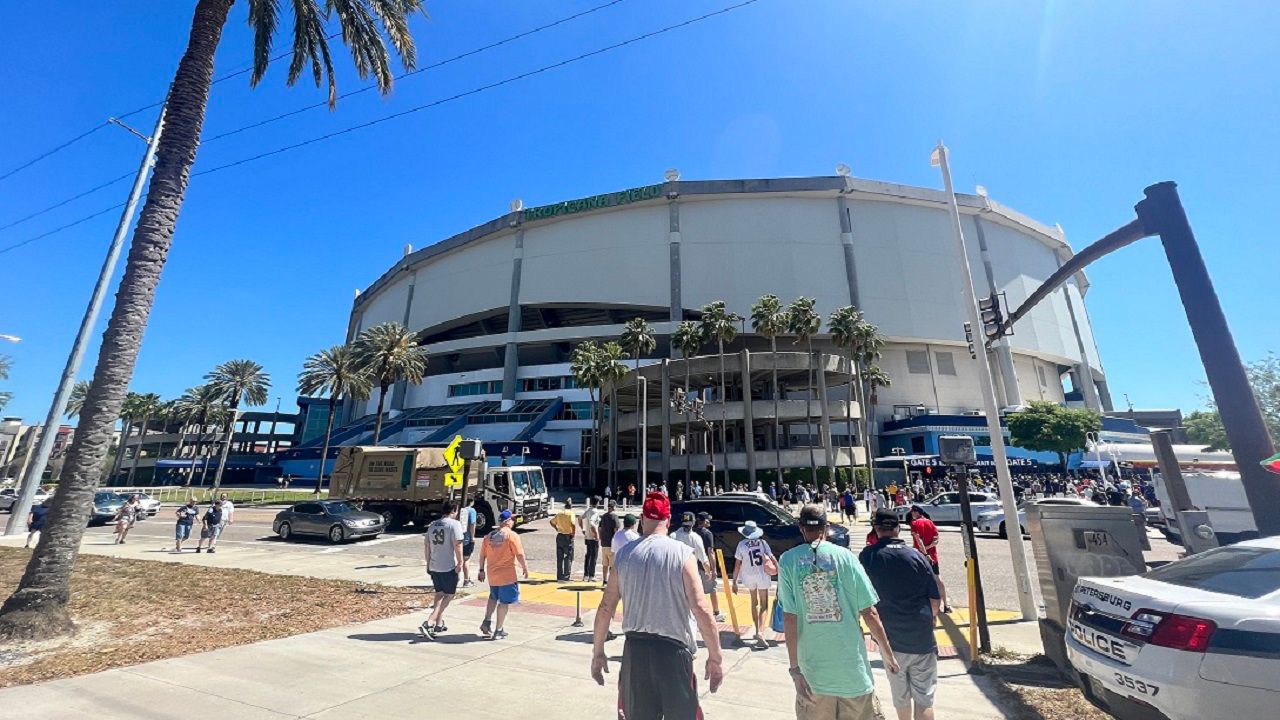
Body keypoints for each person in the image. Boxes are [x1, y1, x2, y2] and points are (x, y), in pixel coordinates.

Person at [591, 492, 724, 719]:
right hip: (673, 654)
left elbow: (606, 608)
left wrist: (598, 652)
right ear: (669, 519)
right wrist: (715, 657)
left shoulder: (624, 555)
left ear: (643, 519)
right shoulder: (682, 554)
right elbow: (701, 608)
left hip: (635, 653)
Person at [779, 505, 898, 720]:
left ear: (801, 528)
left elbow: (789, 618)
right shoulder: (847, 557)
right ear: (825, 528)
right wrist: (888, 653)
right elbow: (870, 612)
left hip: (813, 677)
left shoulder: (788, 561)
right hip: (853, 674)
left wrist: (795, 670)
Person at [861, 510, 941, 720]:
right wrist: (930, 619)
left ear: (876, 530)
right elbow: (935, 599)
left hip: (889, 640)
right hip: (921, 637)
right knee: (924, 698)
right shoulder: (917, 557)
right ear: (898, 528)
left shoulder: (868, 556)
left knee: (901, 699)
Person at [477, 510, 529, 641]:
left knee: (493, 597)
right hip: (507, 575)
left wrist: (481, 569)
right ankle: (498, 630)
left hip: (492, 574)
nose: (513, 521)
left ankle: (487, 621)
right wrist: (525, 567)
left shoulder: (489, 536)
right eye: (512, 519)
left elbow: (482, 555)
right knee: (504, 603)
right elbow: (519, 554)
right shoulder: (512, 536)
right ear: (507, 521)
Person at [421, 500, 465, 640]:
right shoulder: (454, 524)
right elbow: (458, 545)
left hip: (434, 565)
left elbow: (427, 546)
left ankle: (439, 623)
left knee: (439, 593)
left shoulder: (433, 525)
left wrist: (428, 563)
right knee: (449, 595)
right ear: (453, 510)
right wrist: (460, 562)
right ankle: (430, 621)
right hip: (448, 565)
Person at [732, 519, 776, 649]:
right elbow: (772, 557)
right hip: (762, 574)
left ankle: (756, 629)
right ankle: (761, 632)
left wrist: (734, 581)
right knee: (764, 604)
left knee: (753, 602)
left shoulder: (741, 545)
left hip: (748, 575)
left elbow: (737, 565)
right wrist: (778, 569)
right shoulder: (762, 543)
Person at [908, 505, 949, 613]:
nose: (911, 514)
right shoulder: (930, 522)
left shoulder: (915, 524)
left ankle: (921, 604)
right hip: (933, 555)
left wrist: (924, 552)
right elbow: (936, 540)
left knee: (918, 579)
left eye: (912, 512)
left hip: (920, 556)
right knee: (938, 578)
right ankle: (946, 604)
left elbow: (918, 540)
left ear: (916, 512)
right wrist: (929, 548)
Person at [694, 512, 726, 622]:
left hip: (694, 565)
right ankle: (716, 612)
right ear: (705, 521)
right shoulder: (707, 534)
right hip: (704, 566)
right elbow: (710, 552)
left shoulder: (692, 532)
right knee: (712, 588)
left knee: (695, 590)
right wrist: (714, 569)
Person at [550, 499, 577, 581]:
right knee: (568, 557)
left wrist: (556, 528)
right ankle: (566, 576)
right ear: (571, 506)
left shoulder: (559, 513)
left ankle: (559, 576)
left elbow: (551, 522)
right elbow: (573, 524)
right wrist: (573, 533)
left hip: (560, 536)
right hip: (568, 536)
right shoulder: (571, 514)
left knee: (559, 557)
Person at [580, 496, 602, 582]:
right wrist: (596, 535)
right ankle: (591, 575)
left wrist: (583, 529)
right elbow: (592, 523)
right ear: (597, 503)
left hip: (587, 536)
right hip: (593, 537)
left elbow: (580, 518)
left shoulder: (588, 510)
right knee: (594, 556)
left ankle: (586, 574)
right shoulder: (595, 512)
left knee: (588, 555)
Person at [598, 500, 620, 586]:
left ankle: (604, 580)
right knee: (612, 564)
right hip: (612, 544)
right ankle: (611, 582)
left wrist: (601, 537)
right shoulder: (614, 517)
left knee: (605, 564)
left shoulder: (603, 516)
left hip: (604, 543)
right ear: (614, 507)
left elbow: (599, 528)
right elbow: (616, 529)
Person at [461, 498, 478, 588]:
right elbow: (472, 524)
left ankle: (466, 578)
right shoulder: (472, 511)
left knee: (460, 559)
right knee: (466, 560)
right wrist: (472, 537)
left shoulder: (460, 510)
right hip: (467, 538)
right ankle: (466, 580)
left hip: (458, 539)